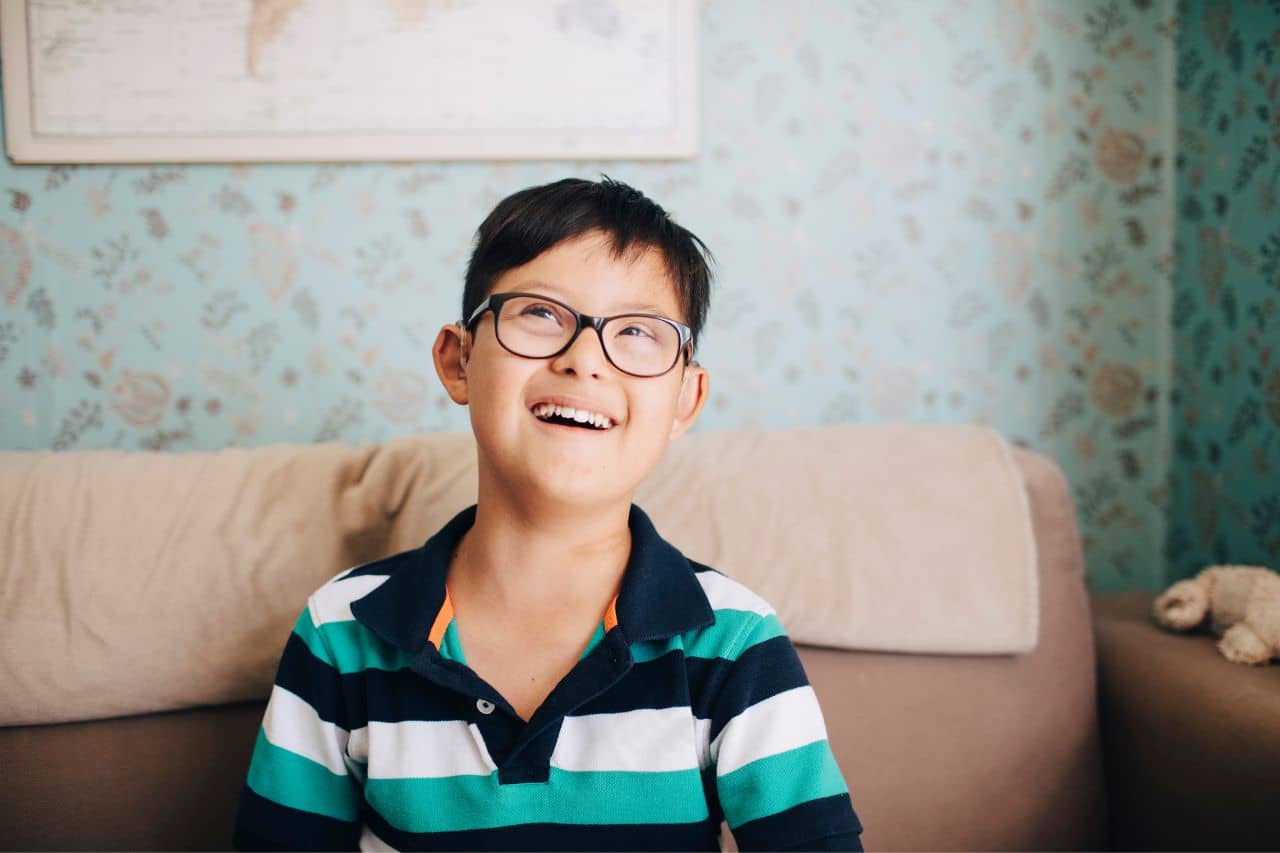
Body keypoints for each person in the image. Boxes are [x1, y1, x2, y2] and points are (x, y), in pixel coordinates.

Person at [232, 177, 864, 851]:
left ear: (686, 398)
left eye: (638, 331)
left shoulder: (733, 643)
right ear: (459, 360)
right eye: (540, 314)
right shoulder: (341, 630)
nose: (585, 360)